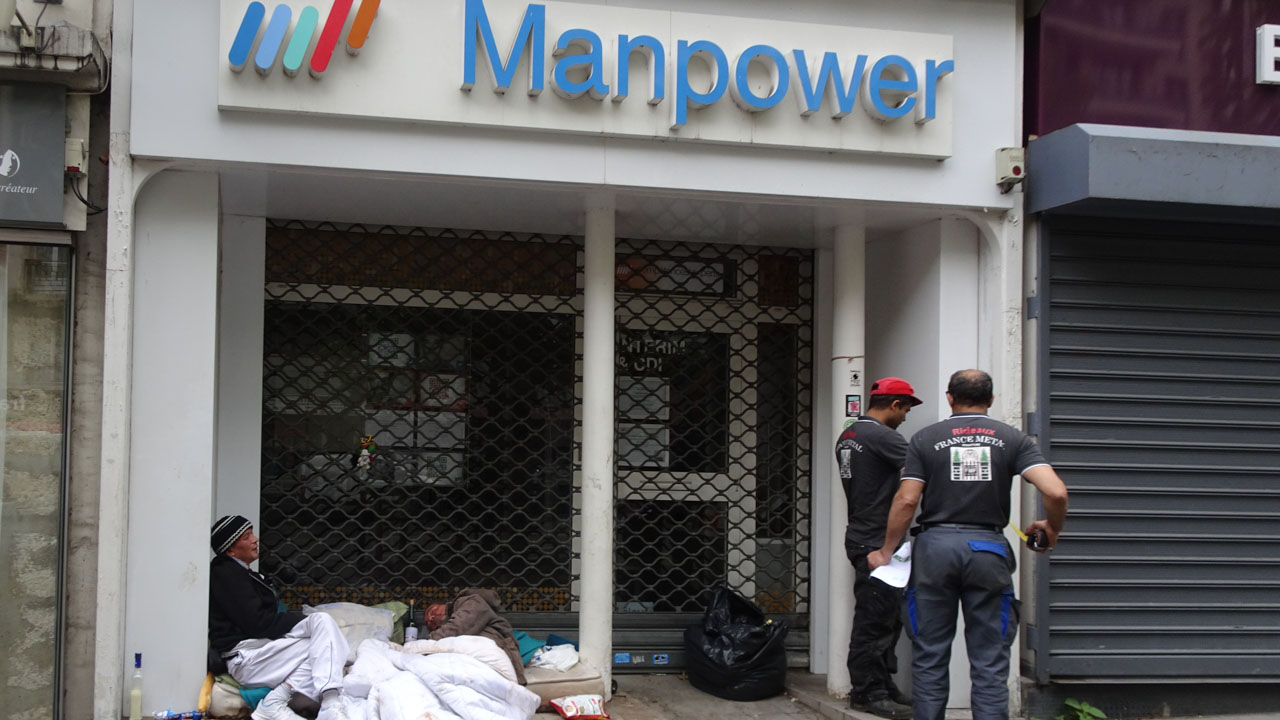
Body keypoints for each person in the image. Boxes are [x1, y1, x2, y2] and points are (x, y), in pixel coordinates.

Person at [868, 370, 1068, 720]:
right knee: (990, 659)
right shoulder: (1013, 439)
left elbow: (906, 500)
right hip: (988, 550)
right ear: (991, 399)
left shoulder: (925, 439)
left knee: (930, 654)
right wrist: (1051, 527)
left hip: (934, 551)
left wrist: (887, 551)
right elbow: (1056, 492)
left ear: (950, 398)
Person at [835, 377, 922, 719]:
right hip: (877, 540)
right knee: (875, 621)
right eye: (906, 409)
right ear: (895, 404)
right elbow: (919, 478)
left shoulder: (850, 435)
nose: (905, 417)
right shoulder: (885, 437)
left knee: (885, 618)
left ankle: (883, 686)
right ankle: (868, 693)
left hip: (861, 534)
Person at [209, 515, 350, 720]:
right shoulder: (225, 572)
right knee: (323, 636)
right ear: (231, 550)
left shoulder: (242, 573)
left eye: (252, 534)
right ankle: (330, 703)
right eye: (246, 537)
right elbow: (257, 623)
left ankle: (274, 702)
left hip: (262, 653)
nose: (255, 539)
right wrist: (300, 620)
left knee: (326, 640)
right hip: (247, 659)